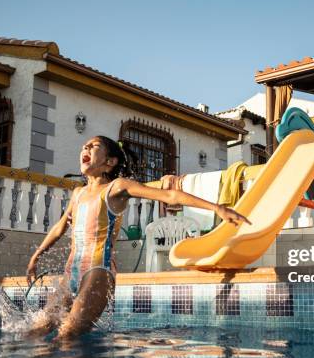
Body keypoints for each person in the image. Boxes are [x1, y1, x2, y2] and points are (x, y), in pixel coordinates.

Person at [25, 135, 250, 339]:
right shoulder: (78, 193)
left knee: (67, 337)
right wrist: (36, 255)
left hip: (97, 271)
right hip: (70, 272)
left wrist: (217, 208)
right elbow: (59, 227)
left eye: (94, 146)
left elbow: (170, 195)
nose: (86, 147)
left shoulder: (116, 187)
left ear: (110, 162)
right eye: (84, 145)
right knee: (38, 330)